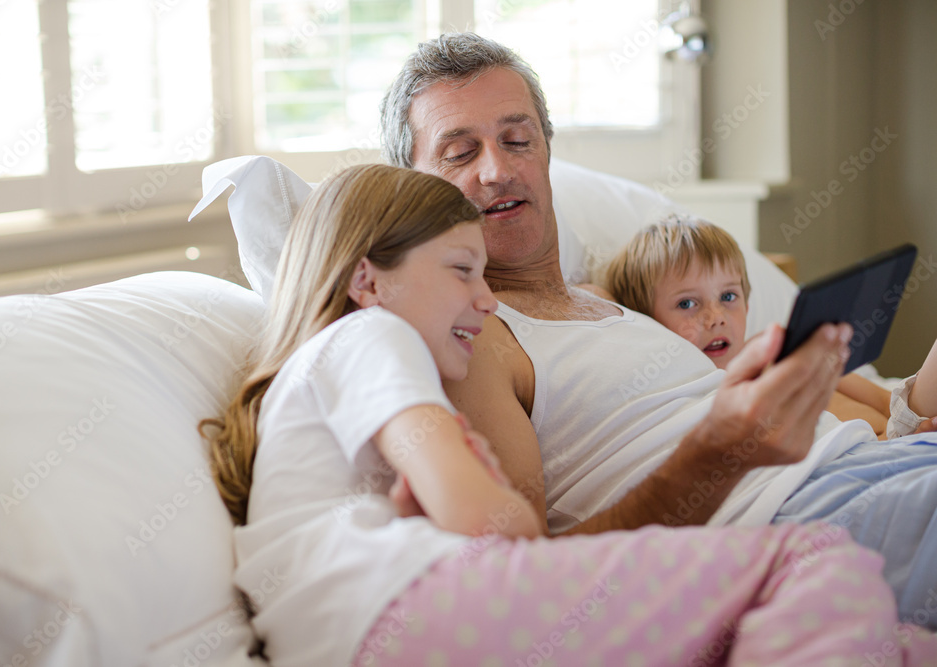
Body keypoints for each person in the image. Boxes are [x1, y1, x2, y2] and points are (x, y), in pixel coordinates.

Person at [202, 162, 935, 666]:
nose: (486, 301)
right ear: (368, 279)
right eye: (462, 270)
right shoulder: (370, 334)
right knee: (819, 562)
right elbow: (495, 524)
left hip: (393, 629)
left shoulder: (320, 399)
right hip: (418, 609)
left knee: (897, 638)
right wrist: (478, 487)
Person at [379, 30, 937, 630]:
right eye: (461, 153)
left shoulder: (616, 300)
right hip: (796, 517)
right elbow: (536, 577)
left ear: (545, 152)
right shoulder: (475, 341)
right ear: (414, 186)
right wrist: (715, 455)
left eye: (518, 140)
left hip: (873, 460)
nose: (497, 170)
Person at [601, 214, 937, 438]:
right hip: (862, 459)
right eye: (687, 303)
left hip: (901, 431)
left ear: (748, 302)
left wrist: (914, 422)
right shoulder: (698, 397)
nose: (715, 316)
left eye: (728, 296)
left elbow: (883, 397)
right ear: (648, 323)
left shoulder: (777, 349)